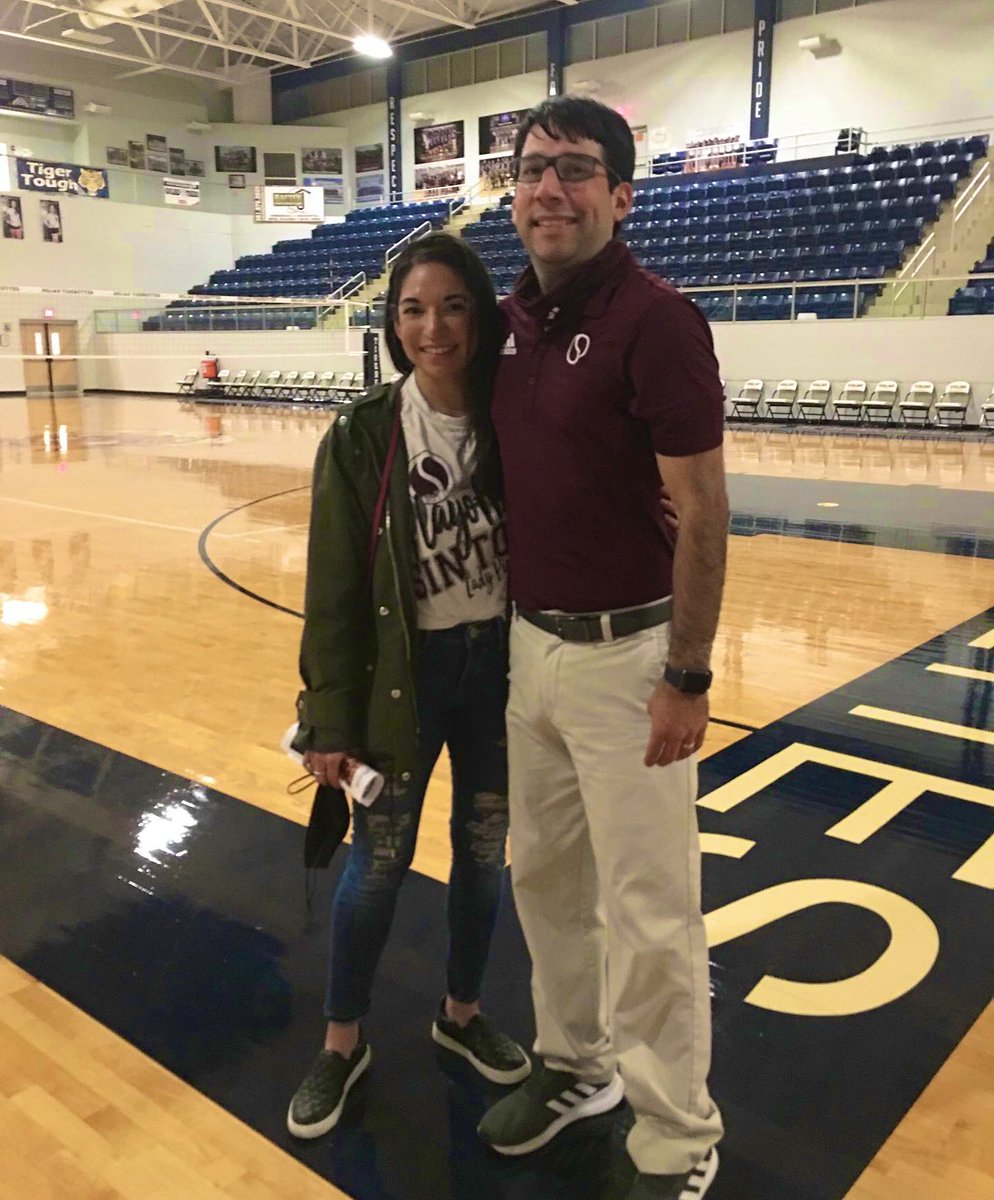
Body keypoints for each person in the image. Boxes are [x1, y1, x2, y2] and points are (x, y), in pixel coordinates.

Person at [476, 96, 728, 1200]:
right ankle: (577, 1066)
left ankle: (679, 1136)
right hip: (532, 652)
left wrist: (685, 673)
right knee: (549, 885)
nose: (547, 188)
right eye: (532, 169)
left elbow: (705, 512)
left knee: (651, 912)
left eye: (575, 170)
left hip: (633, 666)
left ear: (620, 197)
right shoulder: (509, 321)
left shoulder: (657, 319)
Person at [287, 232, 529, 1141]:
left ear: (481, 314)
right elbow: (335, 591)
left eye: (453, 305)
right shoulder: (361, 436)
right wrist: (327, 718)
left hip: (500, 673)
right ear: (393, 324)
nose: (434, 327)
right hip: (404, 678)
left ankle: (461, 1015)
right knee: (378, 864)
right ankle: (343, 1043)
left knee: (482, 854)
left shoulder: (516, 415)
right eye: (413, 309)